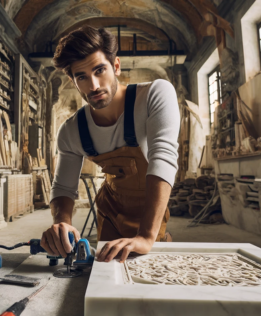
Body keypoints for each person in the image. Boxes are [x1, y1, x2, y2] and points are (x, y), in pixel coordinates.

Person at [41, 26, 180, 263]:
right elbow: (64, 188)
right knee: (105, 274)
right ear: (73, 81)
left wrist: (146, 236)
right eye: (82, 77)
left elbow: (163, 159)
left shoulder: (155, 95)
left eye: (99, 70)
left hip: (150, 211)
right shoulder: (71, 130)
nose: (93, 85)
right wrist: (61, 223)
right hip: (110, 209)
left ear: (116, 66)